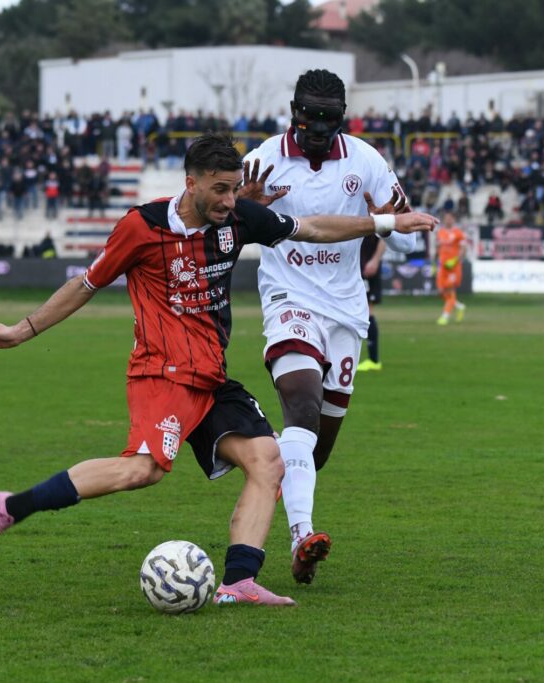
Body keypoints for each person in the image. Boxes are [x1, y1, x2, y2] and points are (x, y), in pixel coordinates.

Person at [0, 133, 437, 606]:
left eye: (234, 189)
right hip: (161, 374)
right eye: (221, 190)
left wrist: (385, 222)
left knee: (268, 461)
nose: (231, 200)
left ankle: (238, 582)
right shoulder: (140, 227)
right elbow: (85, 284)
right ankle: (8, 507)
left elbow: (311, 228)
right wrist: (22, 330)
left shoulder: (239, 219)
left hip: (211, 378)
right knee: (142, 471)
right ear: (191, 183)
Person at [239, 69, 417, 585]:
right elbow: (224, 225)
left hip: (345, 310)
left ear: (343, 117)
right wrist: (245, 210)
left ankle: (279, 478)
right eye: (308, 115)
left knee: (315, 449)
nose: (317, 126)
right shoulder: (263, 159)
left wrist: (392, 216)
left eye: (329, 117)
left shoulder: (367, 161)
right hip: (287, 298)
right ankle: (302, 533)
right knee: (300, 401)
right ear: (293, 109)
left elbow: (405, 239)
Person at [357, 234, 385, 372]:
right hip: (357, 268)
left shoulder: (374, 213)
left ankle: (374, 360)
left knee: (368, 310)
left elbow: (383, 239)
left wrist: (375, 260)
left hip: (368, 268)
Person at [434, 210, 467, 325]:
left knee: (450, 290)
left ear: (453, 219)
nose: (448, 220)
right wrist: (435, 263)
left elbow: (463, 249)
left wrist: (456, 259)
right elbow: (438, 248)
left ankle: (445, 316)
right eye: (446, 218)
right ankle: (459, 306)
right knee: (440, 292)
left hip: (453, 267)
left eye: (450, 218)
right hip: (442, 266)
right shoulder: (440, 232)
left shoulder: (458, 233)